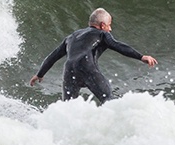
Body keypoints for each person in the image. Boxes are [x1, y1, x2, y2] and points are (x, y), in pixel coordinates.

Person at [28, 8, 157, 103]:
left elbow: (53, 56)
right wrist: (141, 57)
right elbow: (118, 46)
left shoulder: (72, 36)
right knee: (109, 102)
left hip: (69, 71)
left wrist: (39, 74)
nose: (110, 29)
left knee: (68, 108)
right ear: (102, 25)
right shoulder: (102, 34)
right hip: (86, 66)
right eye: (109, 25)